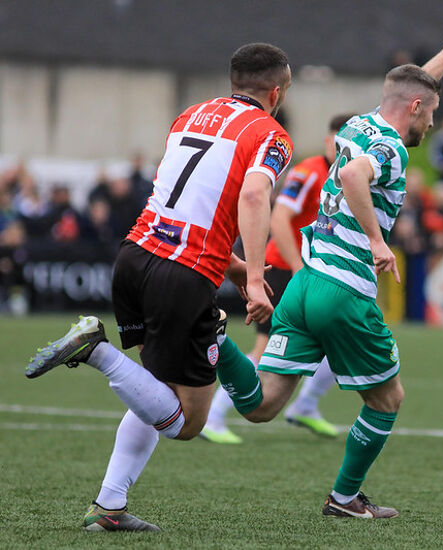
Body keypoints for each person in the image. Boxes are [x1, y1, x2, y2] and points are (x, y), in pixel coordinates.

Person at [212, 6, 443, 519]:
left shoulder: (364, 123)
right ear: (414, 109)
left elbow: (414, 86)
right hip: (345, 291)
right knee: (387, 400)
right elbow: (354, 178)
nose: (432, 119)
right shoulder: (391, 148)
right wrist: (377, 241)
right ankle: (344, 498)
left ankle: (211, 342)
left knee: (261, 406)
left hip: (306, 284)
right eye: (430, 112)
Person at [25, 43, 293, 531]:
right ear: (277, 91)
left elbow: (184, 199)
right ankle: (97, 352)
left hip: (135, 255)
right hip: (184, 275)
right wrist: (255, 276)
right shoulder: (272, 135)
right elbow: (255, 194)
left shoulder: (188, 115)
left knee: (154, 388)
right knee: (188, 422)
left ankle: (109, 507)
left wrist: (230, 266)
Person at [201, 114, 355, 444]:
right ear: (328, 142)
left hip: (315, 272)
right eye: (337, 141)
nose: (343, 148)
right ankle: (213, 416)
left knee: (341, 336)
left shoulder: (344, 175)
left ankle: (306, 405)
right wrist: (300, 268)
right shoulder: (308, 172)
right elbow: (280, 219)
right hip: (286, 270)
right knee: (266, 347)